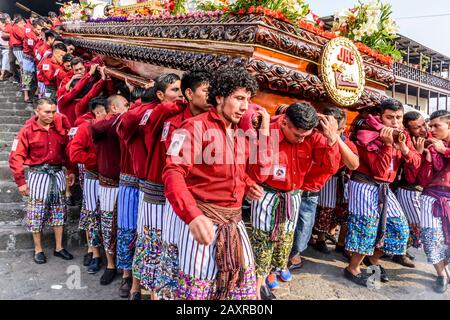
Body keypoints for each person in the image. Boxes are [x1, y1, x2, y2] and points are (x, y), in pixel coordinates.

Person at [163, 68, 272, 300]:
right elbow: (173, 172)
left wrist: (247, 181)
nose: (245, 106)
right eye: (239, 98)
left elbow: (260, 173)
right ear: (220, 97)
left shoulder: (241, 134)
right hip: (203, 222)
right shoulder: (192, 127)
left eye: (248, 100)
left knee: (244, 293)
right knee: (197, 292)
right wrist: (192, 215)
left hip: (234, 222)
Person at [250, 103, 340, 300]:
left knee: (285, 242)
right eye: (297, 134)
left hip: (293, 196)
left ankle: (270, 273)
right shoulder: (267, 130)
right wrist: (248, 182)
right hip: (266, 195)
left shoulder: (313, 136)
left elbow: (331, 167)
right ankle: (257, 287)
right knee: (263, 241)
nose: (301, 140)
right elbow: (248, 162)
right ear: (284, 122)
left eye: (305, 136)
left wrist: (333, 140)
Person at [343, 98, 421, 287]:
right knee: (366, 228)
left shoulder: (403, 136)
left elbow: (416, 163)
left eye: (399, 117)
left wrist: (404, 149)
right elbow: (378, 170)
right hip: (364, 185)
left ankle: (372, 260)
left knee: (400, 229)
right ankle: (353, 268)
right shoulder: (366, 134)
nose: (395, 122)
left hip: (385, 188)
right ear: (380, 116)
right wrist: (387, 145)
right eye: (390, 117)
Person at [159, 69, 212, 299]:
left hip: (209, 206)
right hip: (182, 202)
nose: (211, 96)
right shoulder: (174, 124)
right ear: (189, 94)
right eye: (206, 91)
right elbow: (173, 170)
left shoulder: (220, 123)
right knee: (173, 255)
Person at [9, 97, 75, 264]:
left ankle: (59, 247)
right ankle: (38, 249)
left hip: (58, 174)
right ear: (37, 111)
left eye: (53, 112)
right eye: (47, 112)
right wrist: (21, 181)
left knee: (59, 212)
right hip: (38, 176)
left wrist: (71, 170)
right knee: (36, 213)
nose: (51, 115)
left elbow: (67, 151)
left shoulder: (60, 128)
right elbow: (16, 156)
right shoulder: (26, 131)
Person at [90, 94, 129, 285]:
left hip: (129, 185)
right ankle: (111, 265)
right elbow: (96, 127)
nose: (129, 109)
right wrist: (117, 117)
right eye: (125, 106)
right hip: (108, 184)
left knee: (126, 229)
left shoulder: (127, 122)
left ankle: (127, 273)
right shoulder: (104, 125)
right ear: (114, 109)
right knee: (107, 226)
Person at [312, 107, 359, 257]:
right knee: (320, 209)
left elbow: (353, 164)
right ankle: (315, 237)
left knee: (330, 209)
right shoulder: (314, 134)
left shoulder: (348, 143)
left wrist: (334, 137)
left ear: (342, 129)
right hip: (313, 178)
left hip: (334, 179)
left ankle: (323, 237)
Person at [68, 97, 107, 273]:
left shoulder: (116, 125)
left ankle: (110, 257)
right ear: (98, 112)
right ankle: (96, 254)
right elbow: (74, 153)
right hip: (93, 178)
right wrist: (98, 161)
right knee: (92, 216)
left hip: (114, 180)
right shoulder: (86, 128)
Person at [417, 110, 450, 293]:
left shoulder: (442, 147)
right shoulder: (431, 146)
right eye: (431, 126)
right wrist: (428, 159)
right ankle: (441, 274)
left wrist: (443, 150)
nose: (432, 129)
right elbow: (423, 181)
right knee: (431, 238)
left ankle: (444, 266)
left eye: (437, 125)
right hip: (431, 197)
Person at [393, 111, 429, 268]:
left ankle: (400, 252)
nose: (423, 129)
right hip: (407, 188)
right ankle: (399, 253)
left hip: (416, 190)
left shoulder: (421, 139)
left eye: (423, 125)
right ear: (407, 129)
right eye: (417, 127)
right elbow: (410, 173)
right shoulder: (405, 141)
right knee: (416, 224)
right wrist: (419, 154)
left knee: (411, 223)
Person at [22, 18, 45, 102]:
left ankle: (36, 92)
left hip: (36, 58)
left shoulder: (38, 35)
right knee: (27, 75)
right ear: (33, 28)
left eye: (41, 29)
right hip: (28, 57)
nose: (39, 31)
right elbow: (34, 48)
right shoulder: (29, 35)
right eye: (38, 29)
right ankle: (26, 95)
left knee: (38, 75)